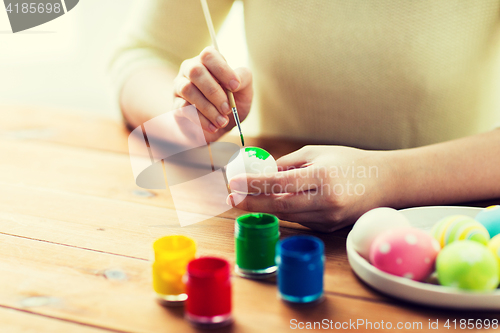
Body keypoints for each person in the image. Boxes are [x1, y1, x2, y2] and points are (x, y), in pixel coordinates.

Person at [111, 0, 500, 232]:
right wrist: (190, 116)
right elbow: (139, 55)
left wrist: (386, 177)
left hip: (452, 228)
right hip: (281, 231)